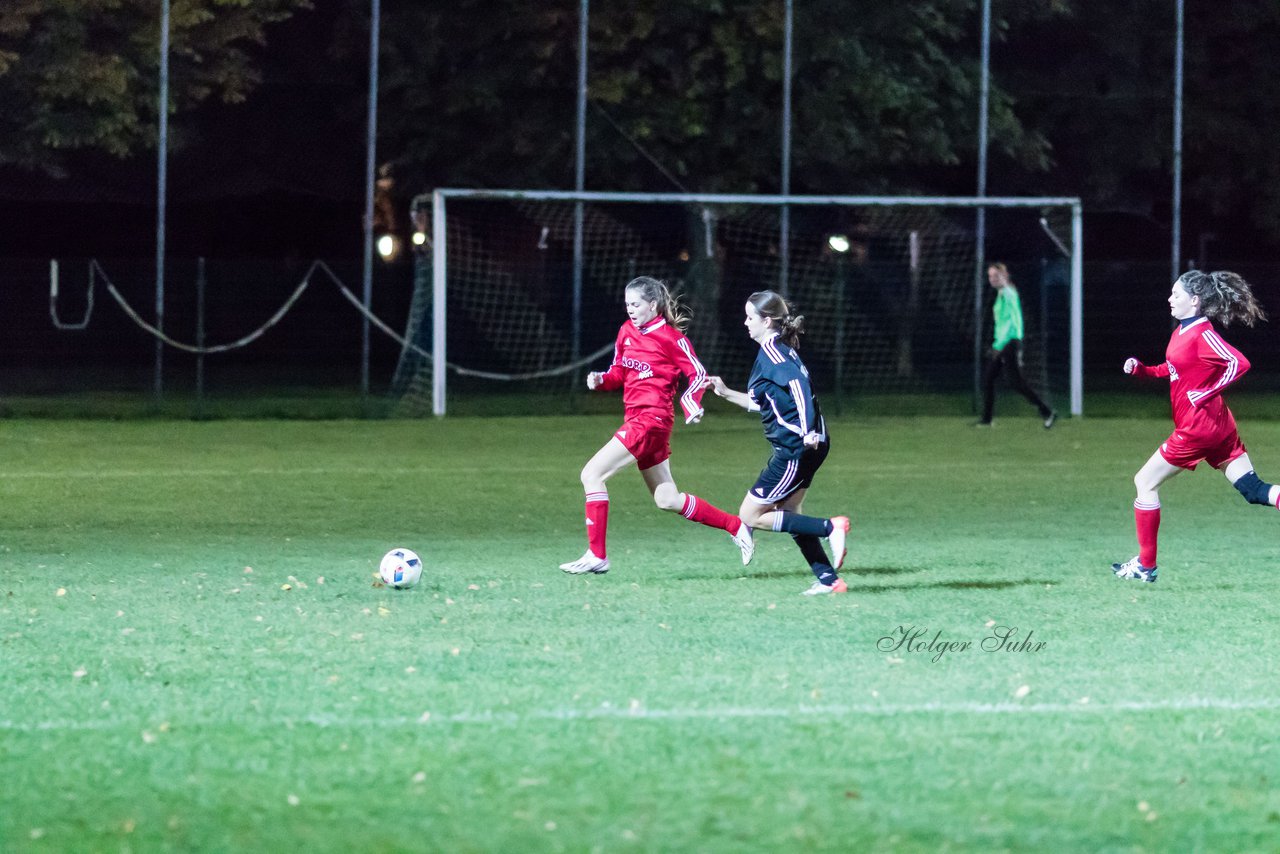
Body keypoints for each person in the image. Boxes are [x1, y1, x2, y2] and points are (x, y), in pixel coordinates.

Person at [559, 276, 754, 575]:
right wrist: (602, 380)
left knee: (592, 474)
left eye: (636, 304)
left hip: (651, 420)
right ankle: (735, 525)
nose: (631, 310)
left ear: (653, 305)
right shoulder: (626, 331)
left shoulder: (671, 338)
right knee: (667, 499)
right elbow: (619, 372)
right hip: (639, 420)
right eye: (627, 305)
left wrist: (691, 404)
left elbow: (697, 374)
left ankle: (596, 556)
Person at [1112, 269, 1278, 583]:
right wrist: (1143, 370)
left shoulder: (1202, 333)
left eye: (1177, 294)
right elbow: (1173, 369)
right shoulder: (1182, 332)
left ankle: (1146, 566)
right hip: (1218, 427)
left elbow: (1239, 363)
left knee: (1144, 482)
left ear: (1195, 300)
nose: (1170, 299)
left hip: (1197, 428)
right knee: (1253, 490)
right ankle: (1144, 566)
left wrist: (1206, 391)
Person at [703, 290, 851, 596]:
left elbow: (799, 386)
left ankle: (830, 528)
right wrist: (725, 391)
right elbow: (763, 402)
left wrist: (807, 429)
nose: (745, 323)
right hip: (810, 445)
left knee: (750, 515)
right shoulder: (773, 350)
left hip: (796, 448)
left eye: (750, 317)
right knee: (790, 512)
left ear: (767, 321)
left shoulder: (774, 353)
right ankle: (829, 580)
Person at [977, 262, 1057, 428]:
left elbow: (1013, 323)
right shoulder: (1001, 295)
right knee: (990, 378)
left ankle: (1047, 412)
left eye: (995, 276)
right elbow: (1002, 324)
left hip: (1010, 342)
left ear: (1004, 276)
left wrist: (1002, 346)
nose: (992, 279)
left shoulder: (1009, 293)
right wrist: (996, 344)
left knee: (1016, 382)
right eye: (990, 276)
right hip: (1003, 343)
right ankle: (987, 419)